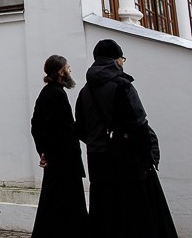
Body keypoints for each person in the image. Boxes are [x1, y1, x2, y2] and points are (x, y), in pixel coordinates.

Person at [75, 39, 178, 238]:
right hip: (127, 162)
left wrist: (98, 142)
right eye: (122, 58)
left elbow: (79, 128)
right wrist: (147, 155)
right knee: (136, 217)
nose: (123, 62)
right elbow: (138, 124)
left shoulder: (84, 92)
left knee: (105, 217)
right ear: (115, 59)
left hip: (97, 162)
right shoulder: (122, 85)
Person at [30, 55, 88, 237]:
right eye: (68, 68)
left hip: (56, 159)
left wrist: (43, 152)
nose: (70, 71)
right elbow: (62, 129)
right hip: (65, 161)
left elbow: (36, 125)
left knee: (52, 203)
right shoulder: (57, 94)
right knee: (67, 205)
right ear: (61, 72)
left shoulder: (46, 92)